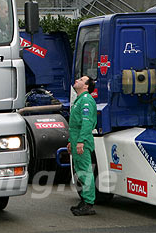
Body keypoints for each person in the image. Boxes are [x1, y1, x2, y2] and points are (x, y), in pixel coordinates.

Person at [67, 75, 97, 216]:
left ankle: (89, 203)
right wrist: (71, 142)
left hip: (82, 139)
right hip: (76, 138)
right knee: (80, 171)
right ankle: (85, 200)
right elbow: (74, 125)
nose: (77, 80)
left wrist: (80, 141)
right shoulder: (80, 100)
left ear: (86, 86)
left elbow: (86, 123)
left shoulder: (86, 100)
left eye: (80, 80)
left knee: (85, 171)